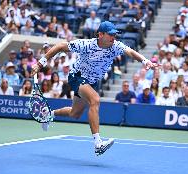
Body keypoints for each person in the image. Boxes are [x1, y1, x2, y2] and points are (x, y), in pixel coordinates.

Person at [31, 21, 156, 156]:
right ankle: (98, 143)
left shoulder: (115, 46)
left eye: (115, 35)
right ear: (100, 34)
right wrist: (40, 63)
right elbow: (60, 46)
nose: (114, 37)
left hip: (92, 82)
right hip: (77, 77)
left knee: (75, 113)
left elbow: (130, 52)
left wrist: (145, 61)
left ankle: (49, 114)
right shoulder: (86, 45)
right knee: (95, 99)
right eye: (111, 35)